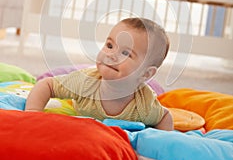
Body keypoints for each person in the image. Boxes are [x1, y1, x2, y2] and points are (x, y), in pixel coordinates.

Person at [25, 17, 173, 130]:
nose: (112, 55)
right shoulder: (85, 82)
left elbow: (165, 116)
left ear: (146, 74)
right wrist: (33, 113)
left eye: (126, 53)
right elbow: (47, 84)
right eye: (109, 45)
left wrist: (161, 140)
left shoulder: (144, 105)